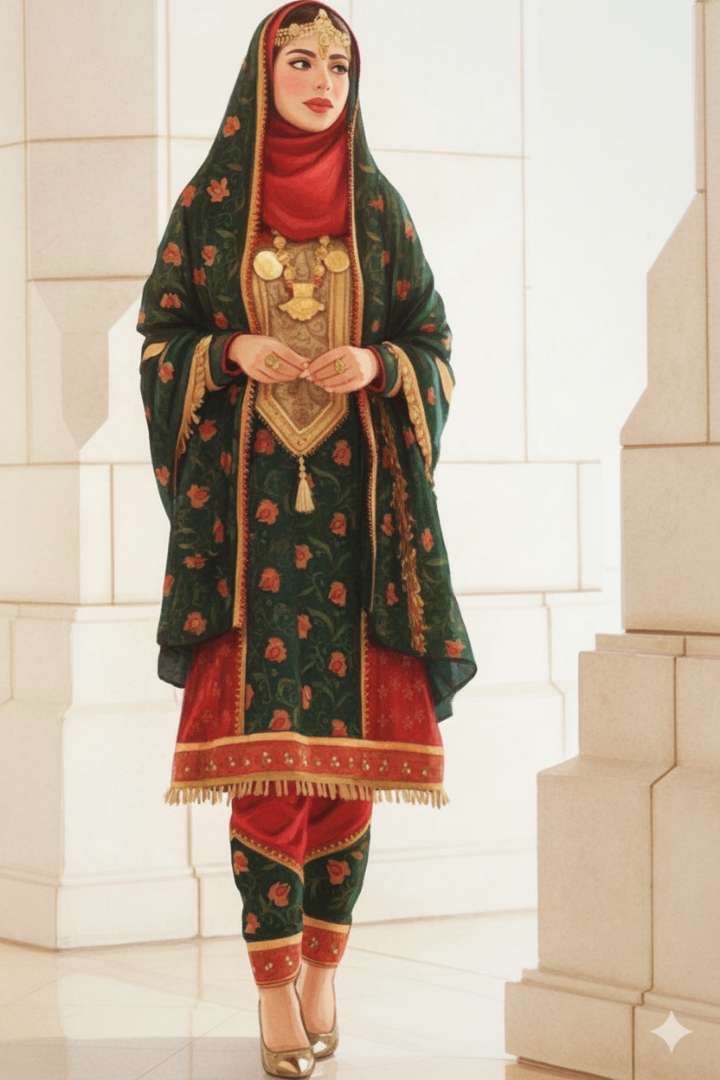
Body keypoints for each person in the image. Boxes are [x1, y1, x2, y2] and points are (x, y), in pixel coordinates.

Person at [137, 3, 477, 1075]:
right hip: (247, 538)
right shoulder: (211, 206)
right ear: (262, 75)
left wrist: (380, 365)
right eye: (301, 60)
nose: (323, 80)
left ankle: (326, 966)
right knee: (266, 761)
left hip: (361, 525)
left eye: (339, 64)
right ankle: (273, 985)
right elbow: (160, 338)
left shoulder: (378, 208)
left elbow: (432, 342)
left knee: (347, 762)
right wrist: (227, 350)